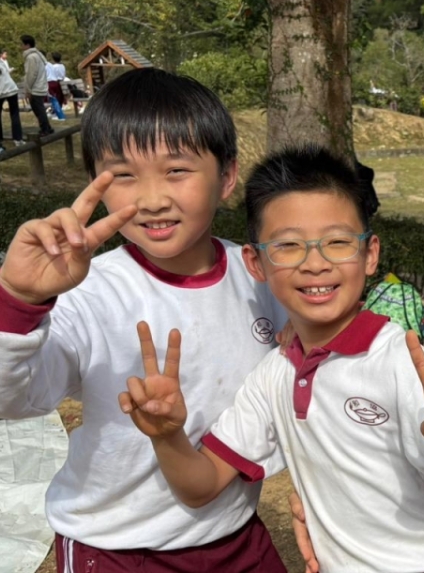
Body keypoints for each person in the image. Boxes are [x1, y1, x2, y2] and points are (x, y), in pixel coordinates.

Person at [120, 145, 424, 572]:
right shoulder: (274, 375)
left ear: (370, 254)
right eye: (288, 246)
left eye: (338, 242)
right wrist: (167, 437)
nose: (315, 263)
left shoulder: (405, 365)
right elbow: (201, 486)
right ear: (256, 262)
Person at [0, 68, 288, 572]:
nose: (152, 200)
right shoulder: (86, 292)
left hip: (234, 530)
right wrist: (19, 300)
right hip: (116, 546)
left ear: (226, 177)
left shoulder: (261, 277)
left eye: (176, 170)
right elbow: (14, 399)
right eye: (124, 175)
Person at [20, 35, 53, 135]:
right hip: (40, 86)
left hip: (35, 88)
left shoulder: (31, 57)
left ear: (27, 45)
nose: (20, 46)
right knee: (40, 109)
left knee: (38, 110)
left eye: (22, 44)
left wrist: (28, 90)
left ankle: (45, 129)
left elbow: (31, 74)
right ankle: (47, 128)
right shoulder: (38, 55)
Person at [0, 48, 23, 150]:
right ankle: (18, 139)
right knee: (14, 114)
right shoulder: (2, 62)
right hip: (11, 88)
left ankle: (1, 139)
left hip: (2, 90)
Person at [46, 51, 67, 121]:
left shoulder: (53, 66)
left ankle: (55, 113)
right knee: (58, 99)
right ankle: (55, 112)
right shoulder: (62, 66)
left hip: (56, 83)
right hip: (62, 83)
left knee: (54, 99)